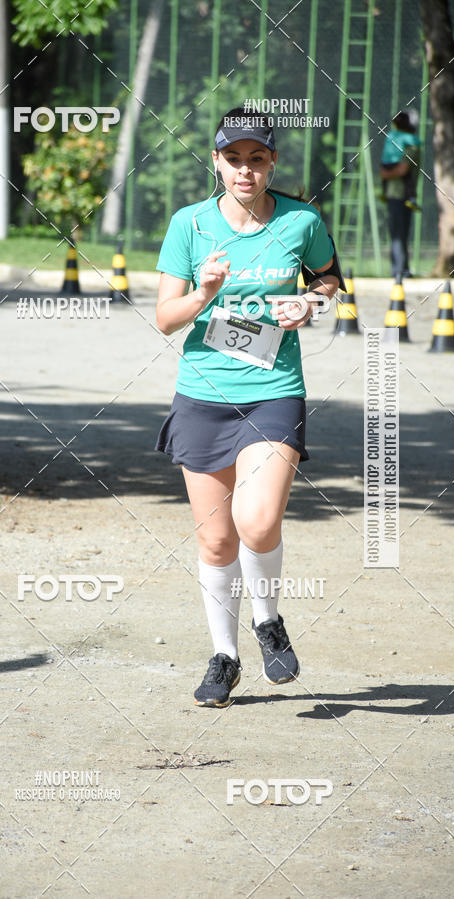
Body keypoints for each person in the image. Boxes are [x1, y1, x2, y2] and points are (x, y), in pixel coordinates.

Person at [154, 106, 342, 708]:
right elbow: (164, 318)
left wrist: (311, 306)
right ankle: (224, 657)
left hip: (273, 389)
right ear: (216, 162)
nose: (245, 170)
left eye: (256, 158)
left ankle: (268, 621)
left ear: (271, 163)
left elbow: (330, 282)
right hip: (202, 393)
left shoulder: (301, 221)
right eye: (233, 159)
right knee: (214, 543)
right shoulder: (189, 225)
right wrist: (204, 293)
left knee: (257, 523)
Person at [379, 110, 421, 278]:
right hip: (396, 194)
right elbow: (400, 168)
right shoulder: (406, 142)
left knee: (399, 233)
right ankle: (399, 270)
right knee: (398, 233)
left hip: (400, 194)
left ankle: (401, 269)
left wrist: (386, 174)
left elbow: (401, 169)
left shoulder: (404, 143)